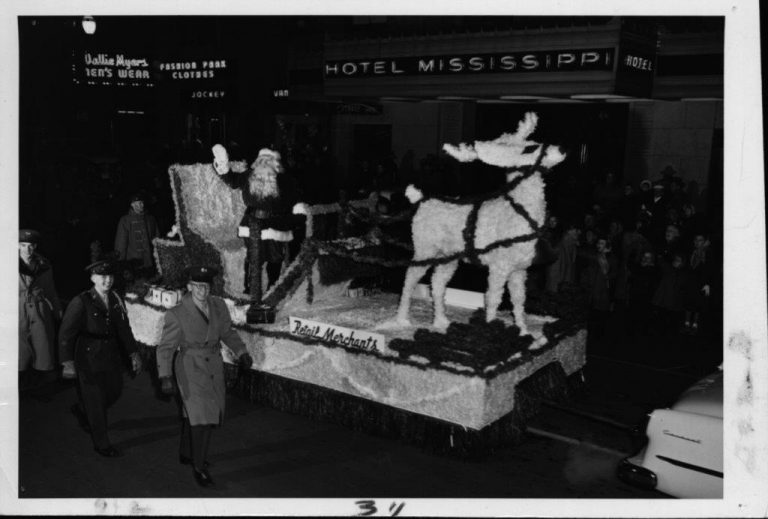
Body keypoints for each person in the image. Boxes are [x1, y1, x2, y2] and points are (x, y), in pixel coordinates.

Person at [156, 266, 254, 488]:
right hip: (190, 367)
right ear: (189, 287)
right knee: (202, 418)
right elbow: (166, 348)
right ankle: (199, 466)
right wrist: (165, 376)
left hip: (213, 366)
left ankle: (187, 453)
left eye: (206, 286)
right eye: (198, 286)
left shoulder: (218, 306)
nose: (202, 290)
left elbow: (227, 332)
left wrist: (241, 352)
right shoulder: (176, 313)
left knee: (199, 412)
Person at [58, 260, 143, 457]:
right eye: (102, 277)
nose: (107, 280)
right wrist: (67, 362)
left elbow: (124, 329)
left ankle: (83, 409)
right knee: (96, 402)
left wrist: (134, 353)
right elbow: (66, 334)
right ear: (93, 278)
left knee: (115, 391)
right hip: (88, 357)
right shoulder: (81, 301)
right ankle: (102, 444)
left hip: (110, 355)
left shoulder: (115, 298)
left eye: (110, 276)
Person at [211, 145, 307, 299]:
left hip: (275, 224)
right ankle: (250, 291)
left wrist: (297, 216)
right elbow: (233, 180)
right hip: (254, 223)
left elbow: (295, 200)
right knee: (254, 257)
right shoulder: (251, 176)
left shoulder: (285, 180)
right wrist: (223, 165)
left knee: (274, 258)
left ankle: (271, 290)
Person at [19, 229, 62, 393]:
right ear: (17, 246)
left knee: (42, 347)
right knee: (20, 349)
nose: (27, 249)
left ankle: (41, 387)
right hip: (17, 309)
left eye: (31, 245)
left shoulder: (44, 264)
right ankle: (20, 387)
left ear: (35, 246)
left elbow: (50, 289)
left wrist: (57, 309)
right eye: (23, 245)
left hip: (39, 309)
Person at [114, 193, 159, 277]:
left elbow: (157, 239)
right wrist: (121, 264)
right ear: (132, 204)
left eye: (143, 202)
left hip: (150, 262)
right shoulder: (125, 220)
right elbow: (121, 243)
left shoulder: (151, 219)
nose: (142, 205)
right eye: (139, 203)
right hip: (133, 264)